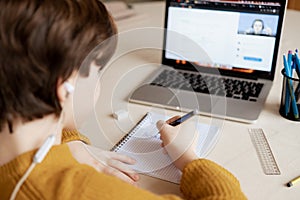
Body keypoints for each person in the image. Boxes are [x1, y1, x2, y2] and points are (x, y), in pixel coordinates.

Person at [0, 0, 247, 199]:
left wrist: (68, 142)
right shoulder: (79, 190)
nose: (100, 83)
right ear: (65, 88)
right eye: (99, 72)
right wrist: (188, 158)